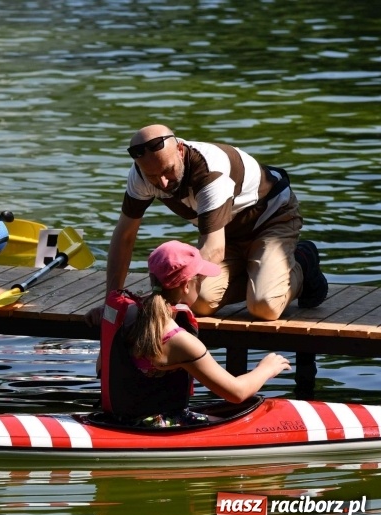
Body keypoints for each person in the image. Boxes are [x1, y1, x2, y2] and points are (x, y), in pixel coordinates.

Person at [86, 124, 328, 324]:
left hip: (271, 220)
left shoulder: (210, 171)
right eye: (152, 176)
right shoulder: (141, 174)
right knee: (198, 302)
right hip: (226, 232)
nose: (162, 181)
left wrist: (162, 298)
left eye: (168, 170)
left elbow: (213, 249)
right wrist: (112, 303)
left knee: (264, 307)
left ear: (180, 149)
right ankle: (261, 271)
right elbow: (125, 235)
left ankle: (303, 261)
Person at [98, 240, 291, 427]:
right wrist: (267, 368)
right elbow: (237, 393)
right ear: (187, 286)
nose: (202, 285)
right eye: (200, 280)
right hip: (153, 428)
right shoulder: (178, 340)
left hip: (117, 419)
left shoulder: (127, 315)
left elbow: (101, 366)